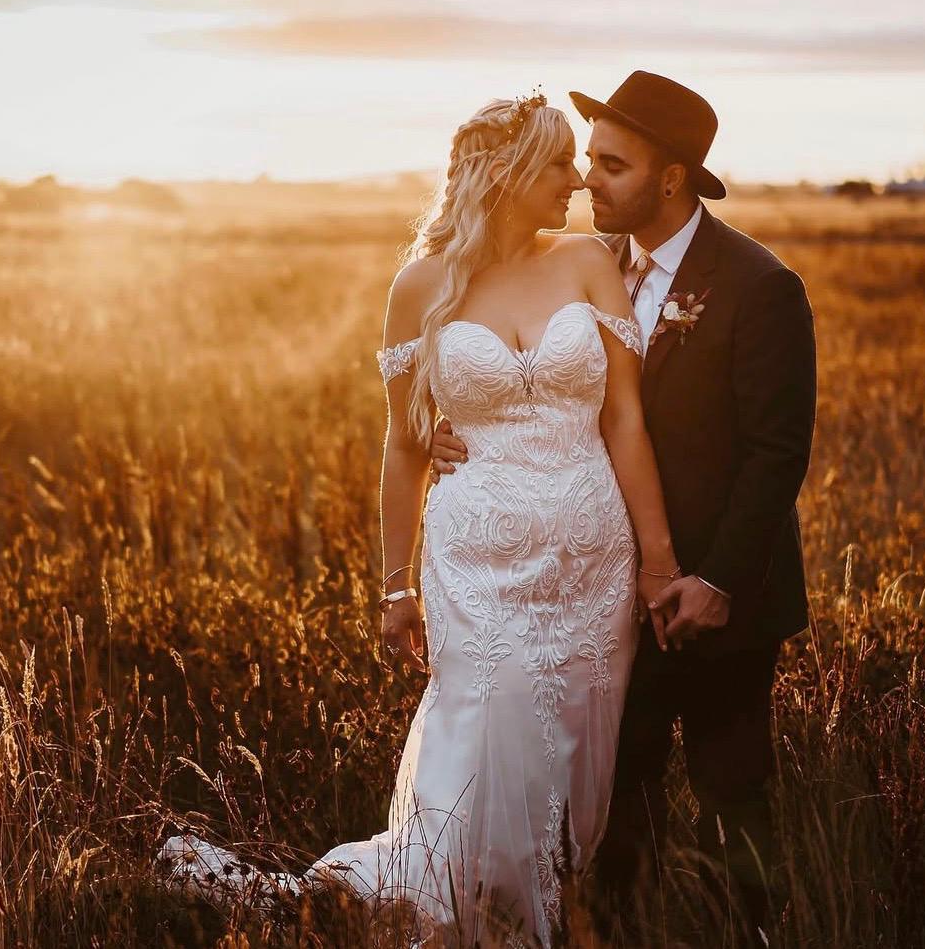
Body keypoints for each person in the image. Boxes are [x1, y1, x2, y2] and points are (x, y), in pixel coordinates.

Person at [160, 91, 680, 949]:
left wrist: (656, 560)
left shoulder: (588, 260)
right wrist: (394, 586)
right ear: (506, 174)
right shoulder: (420, 285)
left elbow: (625, 419)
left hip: (590, 568)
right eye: (558, 163)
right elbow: (403, 447)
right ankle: (437, 915)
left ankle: (539, 916)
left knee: (570, 761)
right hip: (477, 570)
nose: (576, 180)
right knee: (481, 742)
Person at [428, 71, 818, 944]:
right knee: (613, 794)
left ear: (669, 178)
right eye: (587, 160)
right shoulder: (583, 263)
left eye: (611, 165)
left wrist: (715, 579)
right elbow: (508, 369)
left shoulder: (759, 285)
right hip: (600, 586)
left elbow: (776, 456)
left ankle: (743, 935)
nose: (585, 179)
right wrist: (451, 432)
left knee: (729, 792)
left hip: (716, 594)